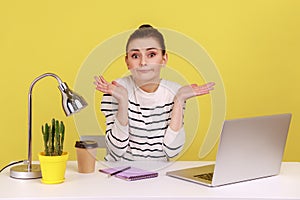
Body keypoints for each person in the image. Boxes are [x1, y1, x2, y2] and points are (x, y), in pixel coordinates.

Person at [94, 24, 215, 161]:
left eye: (151, 54)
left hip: (159, 176)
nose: (143, 62)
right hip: (119, 174)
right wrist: (122, 100)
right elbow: (116, 151)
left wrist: (180, 99)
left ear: (164, 59)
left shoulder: (175, 92)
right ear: (127, 62)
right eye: (135, 56)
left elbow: (172, 151)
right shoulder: (115, 90)